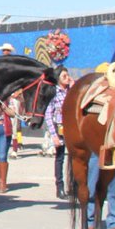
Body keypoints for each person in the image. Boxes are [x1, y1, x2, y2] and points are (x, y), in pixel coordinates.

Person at [45, 66, 72, 199]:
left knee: (74, 158)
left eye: (68, 76)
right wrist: (53, 135)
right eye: (64, 77)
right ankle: (59, 187)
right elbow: (48, 114)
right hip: (60, 128)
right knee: (60, 158)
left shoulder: (72, 91)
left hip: (72, 129)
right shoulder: (54, 93)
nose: (67, 79)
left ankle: (74, 185)